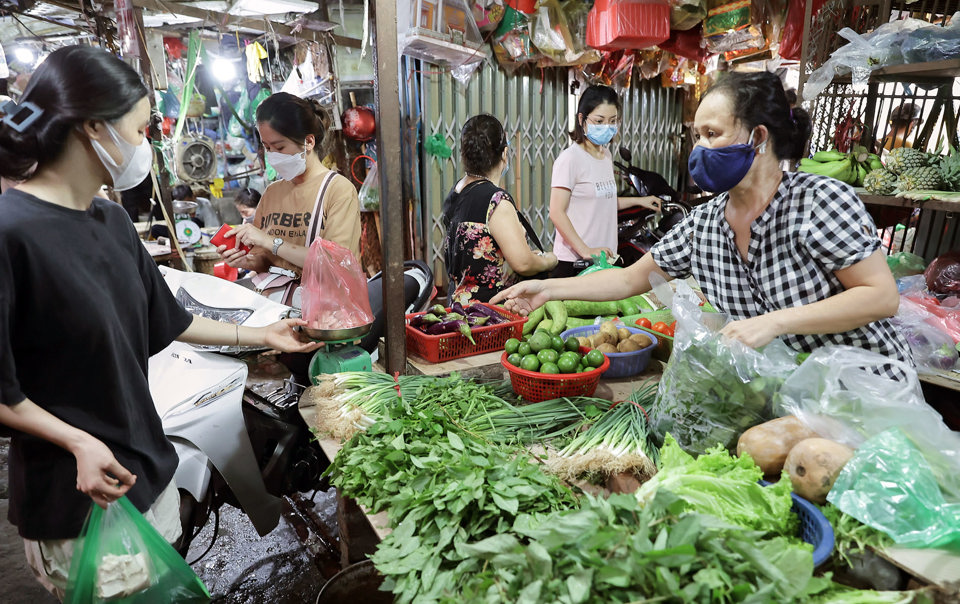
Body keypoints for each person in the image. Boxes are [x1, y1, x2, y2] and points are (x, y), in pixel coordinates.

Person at [0, 45, 321, 599]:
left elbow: (168, 320)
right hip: (82, 502)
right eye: (143, 129)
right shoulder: (12, 233)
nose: (146, 145)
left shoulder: (112, 220)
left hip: (149, 475)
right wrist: (76, 442)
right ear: (94, 127)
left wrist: (261, 335)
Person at [494, 71, 911, 378]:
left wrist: (776, 322)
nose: (700, 149)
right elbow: (625, 282)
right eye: (697, 136)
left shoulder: (820, 200)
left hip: (866, 384)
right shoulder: (705, 225)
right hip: (787, 391)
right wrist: (547, 287)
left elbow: (880, 297)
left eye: (712, 134)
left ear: (758, 137)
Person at [216, 92, 361, 273]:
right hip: (278, 299)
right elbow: (265, 259)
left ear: (308, 141)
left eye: (280, 147)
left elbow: (334, 262)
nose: (272, 155)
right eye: (267, 147)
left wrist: (269, 241)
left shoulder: (338, 190)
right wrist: (244, 261)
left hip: (320, 299)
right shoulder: (272, 193)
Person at [548, 84, 664, 278]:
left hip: (604, 259)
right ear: (581, 120)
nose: (607, 127)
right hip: (575, 262)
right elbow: (556, 212)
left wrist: (640, 201)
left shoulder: (606, 156)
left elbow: (604, 200)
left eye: (612, 121)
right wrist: (585, 249)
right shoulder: (570, 159)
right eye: (599, 121)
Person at [442, 114, 557, 304]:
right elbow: (523, 263)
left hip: (458, 308)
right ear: (504, 153)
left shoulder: (456, 191)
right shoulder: (495, 201)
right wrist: (548, 261)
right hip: (490, 314)